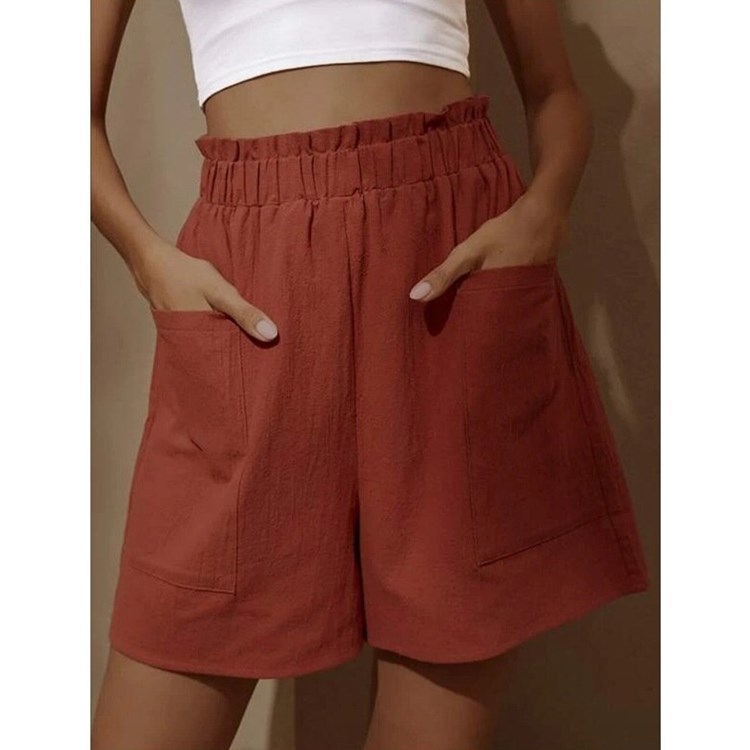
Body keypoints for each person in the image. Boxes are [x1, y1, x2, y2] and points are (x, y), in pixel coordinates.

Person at [91, 1, 650, 748]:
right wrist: (147, 259)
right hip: (255, 288)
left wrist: (542, 214)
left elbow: (557, 94)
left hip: (446, 275)